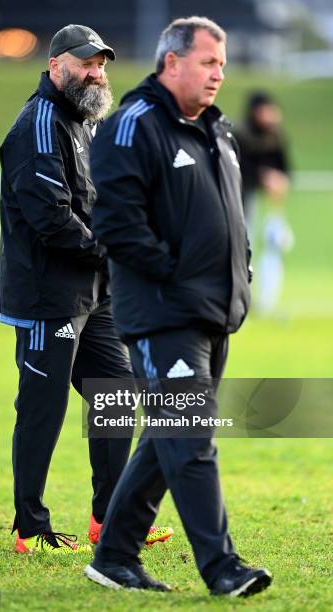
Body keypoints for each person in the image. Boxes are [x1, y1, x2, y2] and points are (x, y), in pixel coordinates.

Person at [85, 16, 272, 596]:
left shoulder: (218, 130)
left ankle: (113, 555)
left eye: (222, 63)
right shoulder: (132, 126)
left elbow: (231, 220)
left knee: (168, 436)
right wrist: (176, 275)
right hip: (163, 313)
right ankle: (222, 569)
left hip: (215, 312)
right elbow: (115, 224)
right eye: (208, 62)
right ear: (171, 63)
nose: (219, 73)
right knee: (191, 435)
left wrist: (239, 275)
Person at [0, 24, 173, 555]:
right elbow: (52, 219)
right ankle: (30, 528)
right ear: (56, 67)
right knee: (42, 409)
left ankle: (109, 520)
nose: (96, 72)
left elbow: (100, 203)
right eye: (85, 63)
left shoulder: (84, 122)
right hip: (47, 294)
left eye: (101, 64)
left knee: (116, 396)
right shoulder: (41, 124)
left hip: (93, 292)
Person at [234, 92, 294, 313]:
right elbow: (237, 168)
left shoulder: (275, 135)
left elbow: (285, 168)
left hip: (270, 203)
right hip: (240, 199)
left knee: (273, 245)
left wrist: (279, 179)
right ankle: (240, 297)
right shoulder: (239, 133)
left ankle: (267, 300)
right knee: (242, 245)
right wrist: (263, 176)